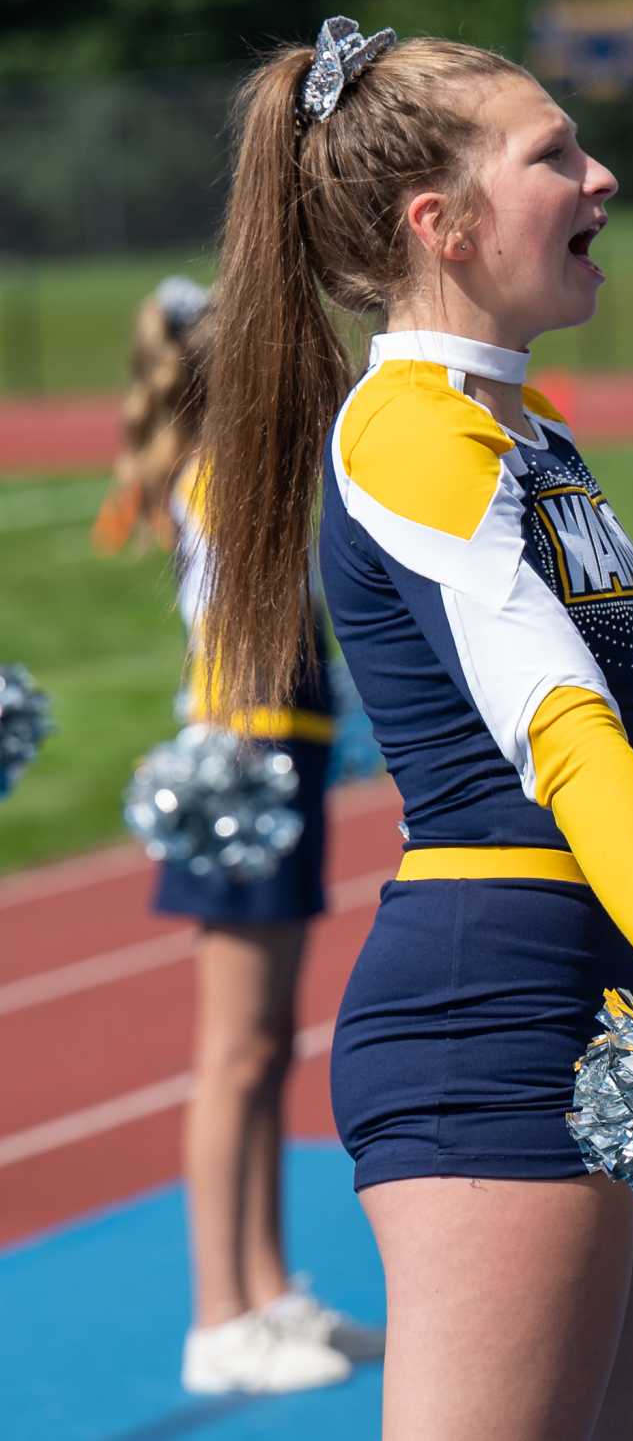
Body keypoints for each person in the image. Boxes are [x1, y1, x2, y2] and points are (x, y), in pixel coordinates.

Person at [193, 16, 633, 1441]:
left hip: (613, 997)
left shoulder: (521, 430)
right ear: (439, 223)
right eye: (554, 155)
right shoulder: (408, 428)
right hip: (494, 1008)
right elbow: (562, 726)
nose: (604, 178)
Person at [95, 277, 381, 1395]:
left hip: (285, 752)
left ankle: (268, 1289)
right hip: (245, 763)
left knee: (269, 1049)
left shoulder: (249, 470)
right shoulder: (227, 471)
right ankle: (218, 1318)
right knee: (235, 1053)